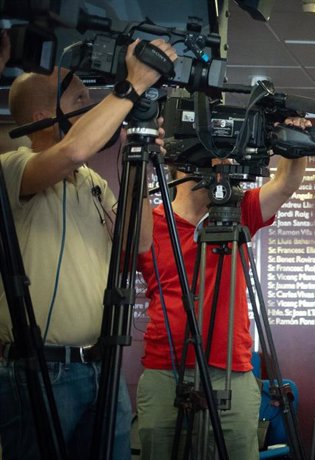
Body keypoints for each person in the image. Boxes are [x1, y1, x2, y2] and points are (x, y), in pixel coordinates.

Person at [0, 37, 177, 460]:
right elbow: (74, 148)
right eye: (82, 99)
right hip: (41, 371)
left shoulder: (92, 184)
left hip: (102, 367)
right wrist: (132, 85)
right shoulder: (12, 167)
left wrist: (144, 160)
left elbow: (140, 242)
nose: (97, 106)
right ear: (46, 115)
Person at [135, 133, 309, 458]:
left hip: (231, 370)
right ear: (183, 168)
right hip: (165, 369)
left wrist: (294, 140)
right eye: (214, 161)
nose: (224, 167)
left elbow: (286, 184)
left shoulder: (238, 212)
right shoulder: (150, 226)